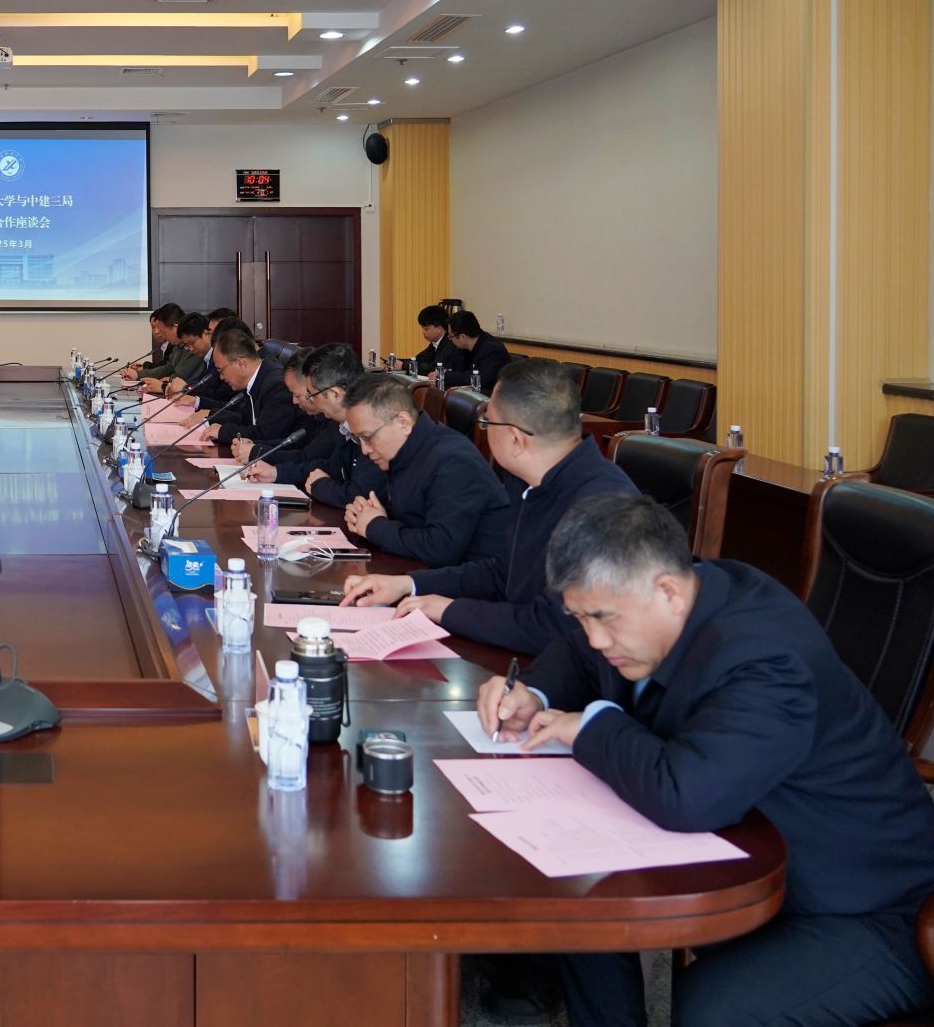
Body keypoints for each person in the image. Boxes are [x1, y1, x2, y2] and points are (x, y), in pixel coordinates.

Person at [478, 494, 934, 1027]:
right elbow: (579, 654)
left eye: (603, 619)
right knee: (583, 882)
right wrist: (534, 693)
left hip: (869, 908)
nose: (596, 638)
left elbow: (687, 797)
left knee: (712, 1010)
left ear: (667, 592)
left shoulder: (765, 658)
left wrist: (591, 726)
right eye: (581, 617)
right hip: (756, 848)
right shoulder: (683, 597)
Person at [341, 359, 638, 654]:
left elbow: (553, 627)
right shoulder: (533, 481)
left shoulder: (602, 506)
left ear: (515, 439)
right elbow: (502, 573)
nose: (483, 431)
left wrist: (448, 610)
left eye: (487, 422)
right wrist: (408, 584)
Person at [312, 373, 509, 566]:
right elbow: (413, 520)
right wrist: (369, 515)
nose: (364, 449)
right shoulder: (405, 451)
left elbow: (440, 549)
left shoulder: (453, 461)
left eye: (368, 437)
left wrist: (375, 526)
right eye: (359, 439)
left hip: (474, 579)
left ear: (403, 422)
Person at [238, 344, 378, 496]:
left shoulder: (371, 428)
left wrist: (320, 486)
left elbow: (359, 494)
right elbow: (330, 468)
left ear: (335, 394)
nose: (311, 400)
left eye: (312, 395)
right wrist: (276, 473)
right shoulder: (343, 425)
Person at [199, 324, 302, 454]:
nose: (221, 377)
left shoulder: (277, 385)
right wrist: (213, 422)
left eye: (221, 370)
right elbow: (246, 420)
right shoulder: (256, 378)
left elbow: (267, 435)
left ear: (240, 363)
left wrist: (224, 432)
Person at [140, 313, 209, 394]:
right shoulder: (179, 347)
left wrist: (165, 386)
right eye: (187, 345)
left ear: (206, 334)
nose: (191, 349)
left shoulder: (205, 355)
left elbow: (183, 378)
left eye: (192, 343)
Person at [447, 309, 510, 394]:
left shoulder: (493, 349)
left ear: (463, 337)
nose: (450, 340)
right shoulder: (462, 348)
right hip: (470, 395)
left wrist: (446, 376)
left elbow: (480, 379)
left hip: (492, 397)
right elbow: (455, 370)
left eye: (451, 337)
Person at [411, 304, 452, 375]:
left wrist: (403, 365)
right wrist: (400, 362)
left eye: (426, 329)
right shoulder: (434, 343)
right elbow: (419, 359)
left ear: (439, 329)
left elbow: (433, 368)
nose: (423, 332)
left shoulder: (450, 344)